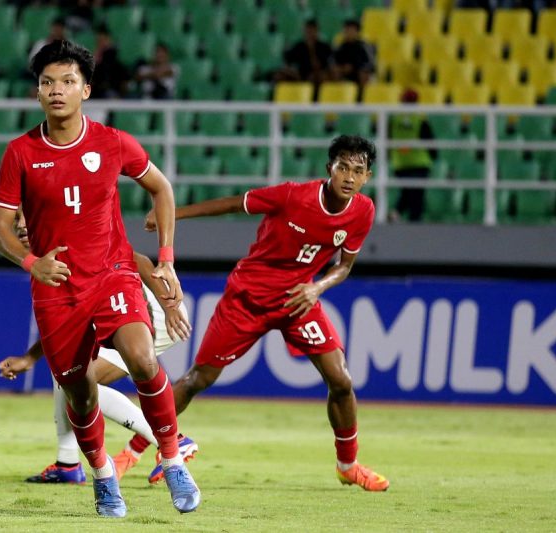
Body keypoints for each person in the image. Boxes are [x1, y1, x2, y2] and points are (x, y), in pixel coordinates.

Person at [0, 40, 200, 517]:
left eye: (67, 81)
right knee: (78, 393)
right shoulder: (20, 152)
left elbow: (162, 189)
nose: (56, 90)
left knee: (142, 358)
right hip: (56, 290)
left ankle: (173, 460)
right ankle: (103, 475)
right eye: (47, 82)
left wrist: (166, 259)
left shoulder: (113, 142)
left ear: (85, 89)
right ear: (37, 92)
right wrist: (31, 262)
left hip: (112, 275)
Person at [144, 135, 390, 492]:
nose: (349, 177)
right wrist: (171, 214)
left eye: (357, 171)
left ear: (367, 176)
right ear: (329, 169)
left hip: (297, 301)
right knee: (198, 379)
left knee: (341, 380)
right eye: (343, 168)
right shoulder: (292, 195)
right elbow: (232, 204)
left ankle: (348, 465)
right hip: (248, 299)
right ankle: (136, 450)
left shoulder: (363, 210)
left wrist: (317, 288)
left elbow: (344, 266)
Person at [0, 210, 198, 485]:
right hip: (131, 311)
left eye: (25, 216)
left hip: (151, 312)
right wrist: (30, 358)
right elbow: (65, 328)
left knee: (79, 380)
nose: (21, 225)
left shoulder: (68, 243)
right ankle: (68, 463)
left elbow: (137, 259)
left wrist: (169, 305)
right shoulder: (45, 261)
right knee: (67, 372)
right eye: (16, 219)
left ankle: (173, 440)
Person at [389, 88, 435, 222]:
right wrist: (434, 156)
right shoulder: (420, 119)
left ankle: (396, 213)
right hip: (420, 163)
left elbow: (388, 139)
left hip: (400, 163)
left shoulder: (393, 119)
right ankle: (412, 223)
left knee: (407, 192)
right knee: (416, 197)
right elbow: (430, 142)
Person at [276, 19, 333, 90]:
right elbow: (288, 60)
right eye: (307, 31)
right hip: (300, 75)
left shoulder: (324, 47)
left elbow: (329, 64)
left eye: (312, 31)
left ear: (317, 31)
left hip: (318, 76)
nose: (309, 34)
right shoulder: (299, 46)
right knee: (280, 76)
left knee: (320, 77)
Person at [332, 19, 375, 99]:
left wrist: (355, 67)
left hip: (361, 73)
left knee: (363, 75)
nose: (349, 32)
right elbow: (335, 62)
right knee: (335, 73)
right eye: (347, 30)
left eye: (351, 30)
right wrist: (342, 68)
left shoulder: (364, 46)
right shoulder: (341, 47)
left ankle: (362, 98)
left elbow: (370, 64)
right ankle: (340, 98)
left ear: (357, 32)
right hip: (346, 74)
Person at [90, 24, 130, 99]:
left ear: (108, 40)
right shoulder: (96, 58)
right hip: (97, 91)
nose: (101, 43)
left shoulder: (112, 55)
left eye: (103, 40)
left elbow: (120, 74)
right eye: (99, 41)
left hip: (112, 90)